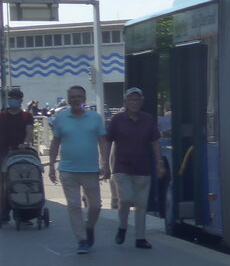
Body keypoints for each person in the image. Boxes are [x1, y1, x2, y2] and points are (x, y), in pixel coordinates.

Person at [47, 85, 110, 254]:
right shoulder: (60, 118)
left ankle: (89, 227)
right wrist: (52, 166)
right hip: (68, 170)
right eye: (73, 97)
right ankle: (81, 239)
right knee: (74, 206)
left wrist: (105, 163)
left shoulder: (95, 118)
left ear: (84, 99)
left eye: (79, 97)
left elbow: (103, 141)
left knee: (95, 205)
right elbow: (55, 143)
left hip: (90, 169)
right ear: (68, 100)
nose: (76, 99)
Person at [107, 87, 165, 249]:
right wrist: (104, 163)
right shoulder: (117, 120)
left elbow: (155, 142)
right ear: (125, 102)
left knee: (141, 205)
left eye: (137, 100)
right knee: (126, 199)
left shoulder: (148, 119)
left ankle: (140, 238)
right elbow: (108, 140)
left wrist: (159, 162)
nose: (134, 103)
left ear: (141, 102)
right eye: (131, 100)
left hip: (143, 168)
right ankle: (123, 226)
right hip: (121, 167)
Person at [1, 87, 35, 225]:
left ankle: (22, 213)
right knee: (3, 184)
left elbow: (29, 132)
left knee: (21, 182)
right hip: (2, 153)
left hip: (20, 153)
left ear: (20, 100)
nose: (12, 100)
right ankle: (4, 212)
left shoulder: (26, 116)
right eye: (10, 98)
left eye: (15, 98)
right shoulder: (2, 115)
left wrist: (25, 143)